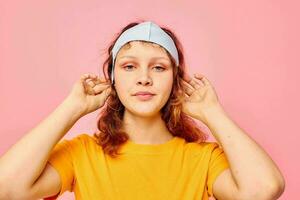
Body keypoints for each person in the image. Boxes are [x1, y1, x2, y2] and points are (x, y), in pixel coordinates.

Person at [0, 20, 285, 200]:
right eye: (129, 66)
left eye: (159, 67)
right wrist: (72, 108)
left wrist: (212, 112)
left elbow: (263, 190)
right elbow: (7, 188)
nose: (144, 78)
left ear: (175, 80)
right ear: (112, 77)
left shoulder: (203, 159)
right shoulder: (82, 153)